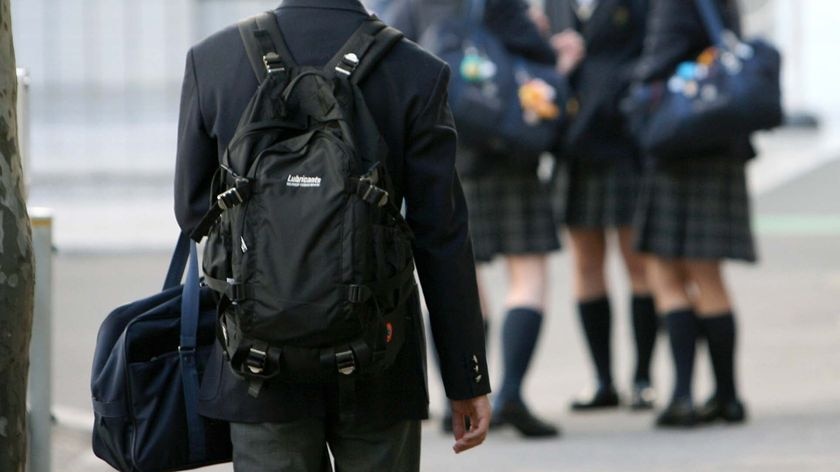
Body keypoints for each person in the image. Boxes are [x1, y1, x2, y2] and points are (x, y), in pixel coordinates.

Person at [173, 0, 491, 469]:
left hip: (257, 362)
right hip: (380, 358)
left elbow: (192, 211)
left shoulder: (213, 60)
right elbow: (441, 238)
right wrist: (467, 378)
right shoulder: (417, 72)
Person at [386, 0, 583, 439]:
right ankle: (510, 392)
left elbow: (394, 61)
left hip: (444, 155)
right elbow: (539, 58)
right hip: (509, 152)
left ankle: (456, 396)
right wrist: (555, 50)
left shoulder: (413, 5)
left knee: (457, 280)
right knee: (527, 276)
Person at [632, 0, 752, 427]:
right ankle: (728, 395)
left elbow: (657, 63)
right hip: (722, 142)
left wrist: (635, 85)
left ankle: (682, 394)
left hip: (679, 147)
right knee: (709, 275)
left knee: (666, 272)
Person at [542, 0, 658, 411]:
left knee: (637, 263)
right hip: (574, 146)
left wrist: (609, 89)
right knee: (586, 264)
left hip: (623, 143)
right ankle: (602, 380)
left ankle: (643, 378)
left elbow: (653, 51)